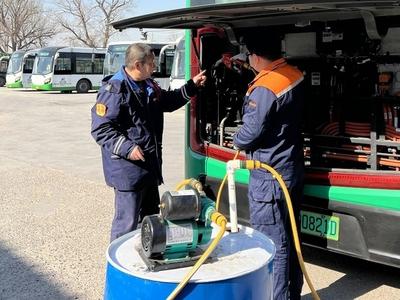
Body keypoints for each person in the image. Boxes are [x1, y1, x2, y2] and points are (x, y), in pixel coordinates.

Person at [91, 43, 206, 242]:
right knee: (126, 224)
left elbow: (168, 102)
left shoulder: (148, 84)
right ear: (138, 65)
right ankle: (120, 267)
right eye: (151, 64)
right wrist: (128, 148)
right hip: (128, 171)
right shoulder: (114, 89)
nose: (154, 67)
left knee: (150, 220)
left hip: (148, 167)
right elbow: (101, 129)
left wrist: (191, 86)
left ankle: (146, 257)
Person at [233, 31, 304, 300]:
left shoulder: (265, 86)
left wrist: (236, 140)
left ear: (257, 56)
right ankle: (291, 295)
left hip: (268, 175)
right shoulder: (293, 73)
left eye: (250, 56)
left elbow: (251, 132)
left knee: (273, 243)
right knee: (292, 238)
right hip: (290, 169)